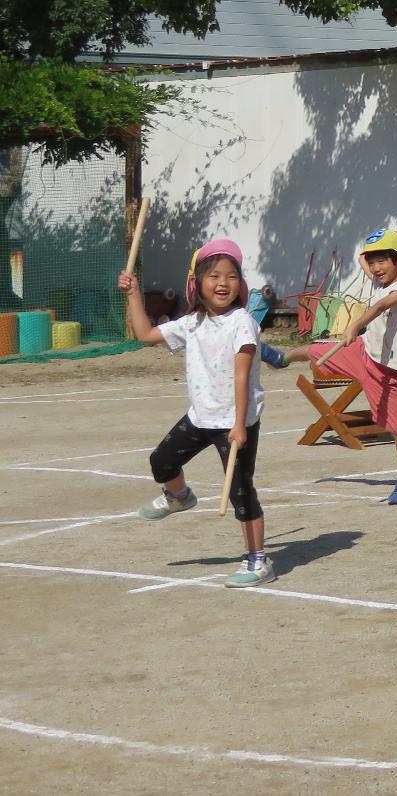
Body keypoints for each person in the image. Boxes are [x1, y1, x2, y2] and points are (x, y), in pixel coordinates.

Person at [118, 238, 273, 586]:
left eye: (231, 276)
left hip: (235, 421)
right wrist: (133, 294)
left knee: (241, 492)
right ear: (197, 282)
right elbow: (144, 334)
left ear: (241, 283)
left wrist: (239, 425)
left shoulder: (242, 323)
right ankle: (179, 495)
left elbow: (242, 374)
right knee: (161, 462)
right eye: (214, 275)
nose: (223, 283)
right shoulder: (192, 323)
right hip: (200, 417)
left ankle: (258, 561)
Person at [282, 227, 397, 503]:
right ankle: (279, 358)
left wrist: (356, 323)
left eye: (383, 260)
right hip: (363, 352)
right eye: (373, 262)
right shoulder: (379, 279)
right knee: (315, 350)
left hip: (388, 369)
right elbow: (362, 258)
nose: (375, 267)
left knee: (395, 426)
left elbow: (383, 306)